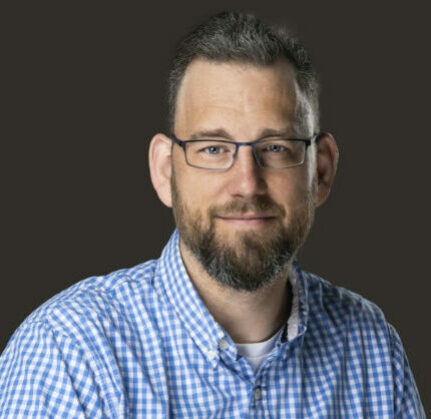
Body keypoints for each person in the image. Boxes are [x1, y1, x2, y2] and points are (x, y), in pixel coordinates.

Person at [0, 10, 425, 418]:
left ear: (322, 170)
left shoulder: (371, 348)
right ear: (166, 171)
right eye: (213, 149)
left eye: (276, 147)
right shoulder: (69, 353)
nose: (246, 183)